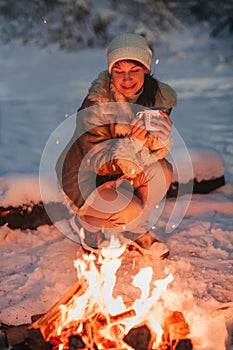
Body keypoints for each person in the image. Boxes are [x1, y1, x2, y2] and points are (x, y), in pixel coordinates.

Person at [56, 33, 177, 255]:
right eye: (118, 72)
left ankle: (135, 232)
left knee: (163, 170)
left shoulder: (155, 99)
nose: (127, 79)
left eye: (134, 71)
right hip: (85, 178)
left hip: (121, 173)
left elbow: (151, 152)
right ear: (111, 72)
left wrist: (160, 138)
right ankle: (88, 225)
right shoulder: (96, 105)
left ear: (146, 69)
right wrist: (134, 141)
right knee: (129, 210)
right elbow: (98, 163)